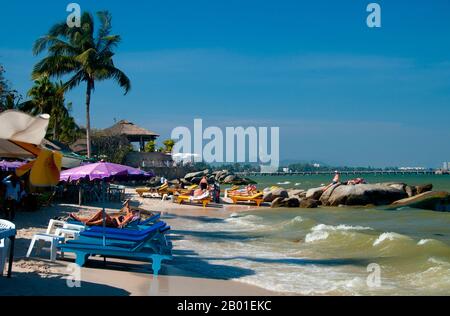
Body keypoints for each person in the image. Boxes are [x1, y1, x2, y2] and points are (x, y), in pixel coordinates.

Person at [69, 200, 141, 228]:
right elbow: (127, 207)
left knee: (104, 219)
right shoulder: (129, 214)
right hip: (112, 221)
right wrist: (127, 202)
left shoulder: (130, 217)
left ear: (134, 213)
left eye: (132, 210)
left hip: (114, 224)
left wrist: (116, 218)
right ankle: (80, 219)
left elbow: (120, 225)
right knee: (101, 212)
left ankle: (89, 223)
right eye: (131, 210)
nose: (131, 210)